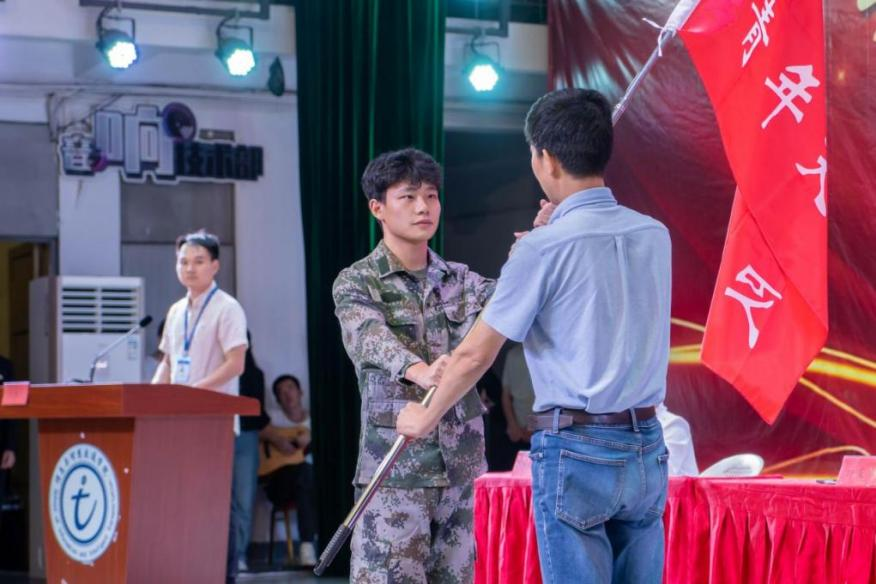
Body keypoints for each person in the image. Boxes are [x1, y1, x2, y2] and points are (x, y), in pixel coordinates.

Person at [397, 88, 672, 584]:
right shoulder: (654, 234)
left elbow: (476, 354)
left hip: (578, 447)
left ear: (545, 158)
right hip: (646, 447)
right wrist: (545, 239)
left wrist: (425, 414)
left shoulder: (542, 249)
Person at [332, 147, 496, 584]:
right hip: (396, 473)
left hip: (462, 472)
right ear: (378, 208)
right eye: (408, 196)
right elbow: (368, 337)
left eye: (431, 196)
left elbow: (515, 299)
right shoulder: (357, 280)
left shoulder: (462, 280)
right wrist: (418, 370)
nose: (423, 207)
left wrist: (537, 244)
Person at [151, 230, 248, 584]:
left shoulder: (227, 307)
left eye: (198, 261)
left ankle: (225, 576)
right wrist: (150, 397)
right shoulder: (176, 311)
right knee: (181, 501)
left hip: (214, 423)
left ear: (215, 266)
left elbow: (236, 364)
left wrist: (193, 393)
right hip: (178, 423)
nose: (189, 268)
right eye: (183, 261)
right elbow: (168, 363)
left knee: (217, 504)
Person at [258, 374, 316, 566]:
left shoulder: (314, 421)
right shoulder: (272, 419)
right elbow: (255, 430)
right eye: (281, 392)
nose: (287, 394)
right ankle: (308, 546)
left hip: (307, 485)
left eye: (290, 388)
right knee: (304, 473)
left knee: (306, 476)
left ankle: (309, 547)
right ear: (277, 399)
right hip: (278, 484)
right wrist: (278, 440)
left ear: (300, 392)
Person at [233, 332, 271, 571]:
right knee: (221, 500)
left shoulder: (254, 374)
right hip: (219, 435)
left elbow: (258, 413)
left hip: (246, 437)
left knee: (243, 499)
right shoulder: (216, 370)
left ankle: (239, 554)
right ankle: (219, 553)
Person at [501, 343, 535, 449]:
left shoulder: (545, 354)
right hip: (518, 424)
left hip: (540, 425)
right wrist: (512, 424)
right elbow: (506, 395)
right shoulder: (512, 355)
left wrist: (533, 425)